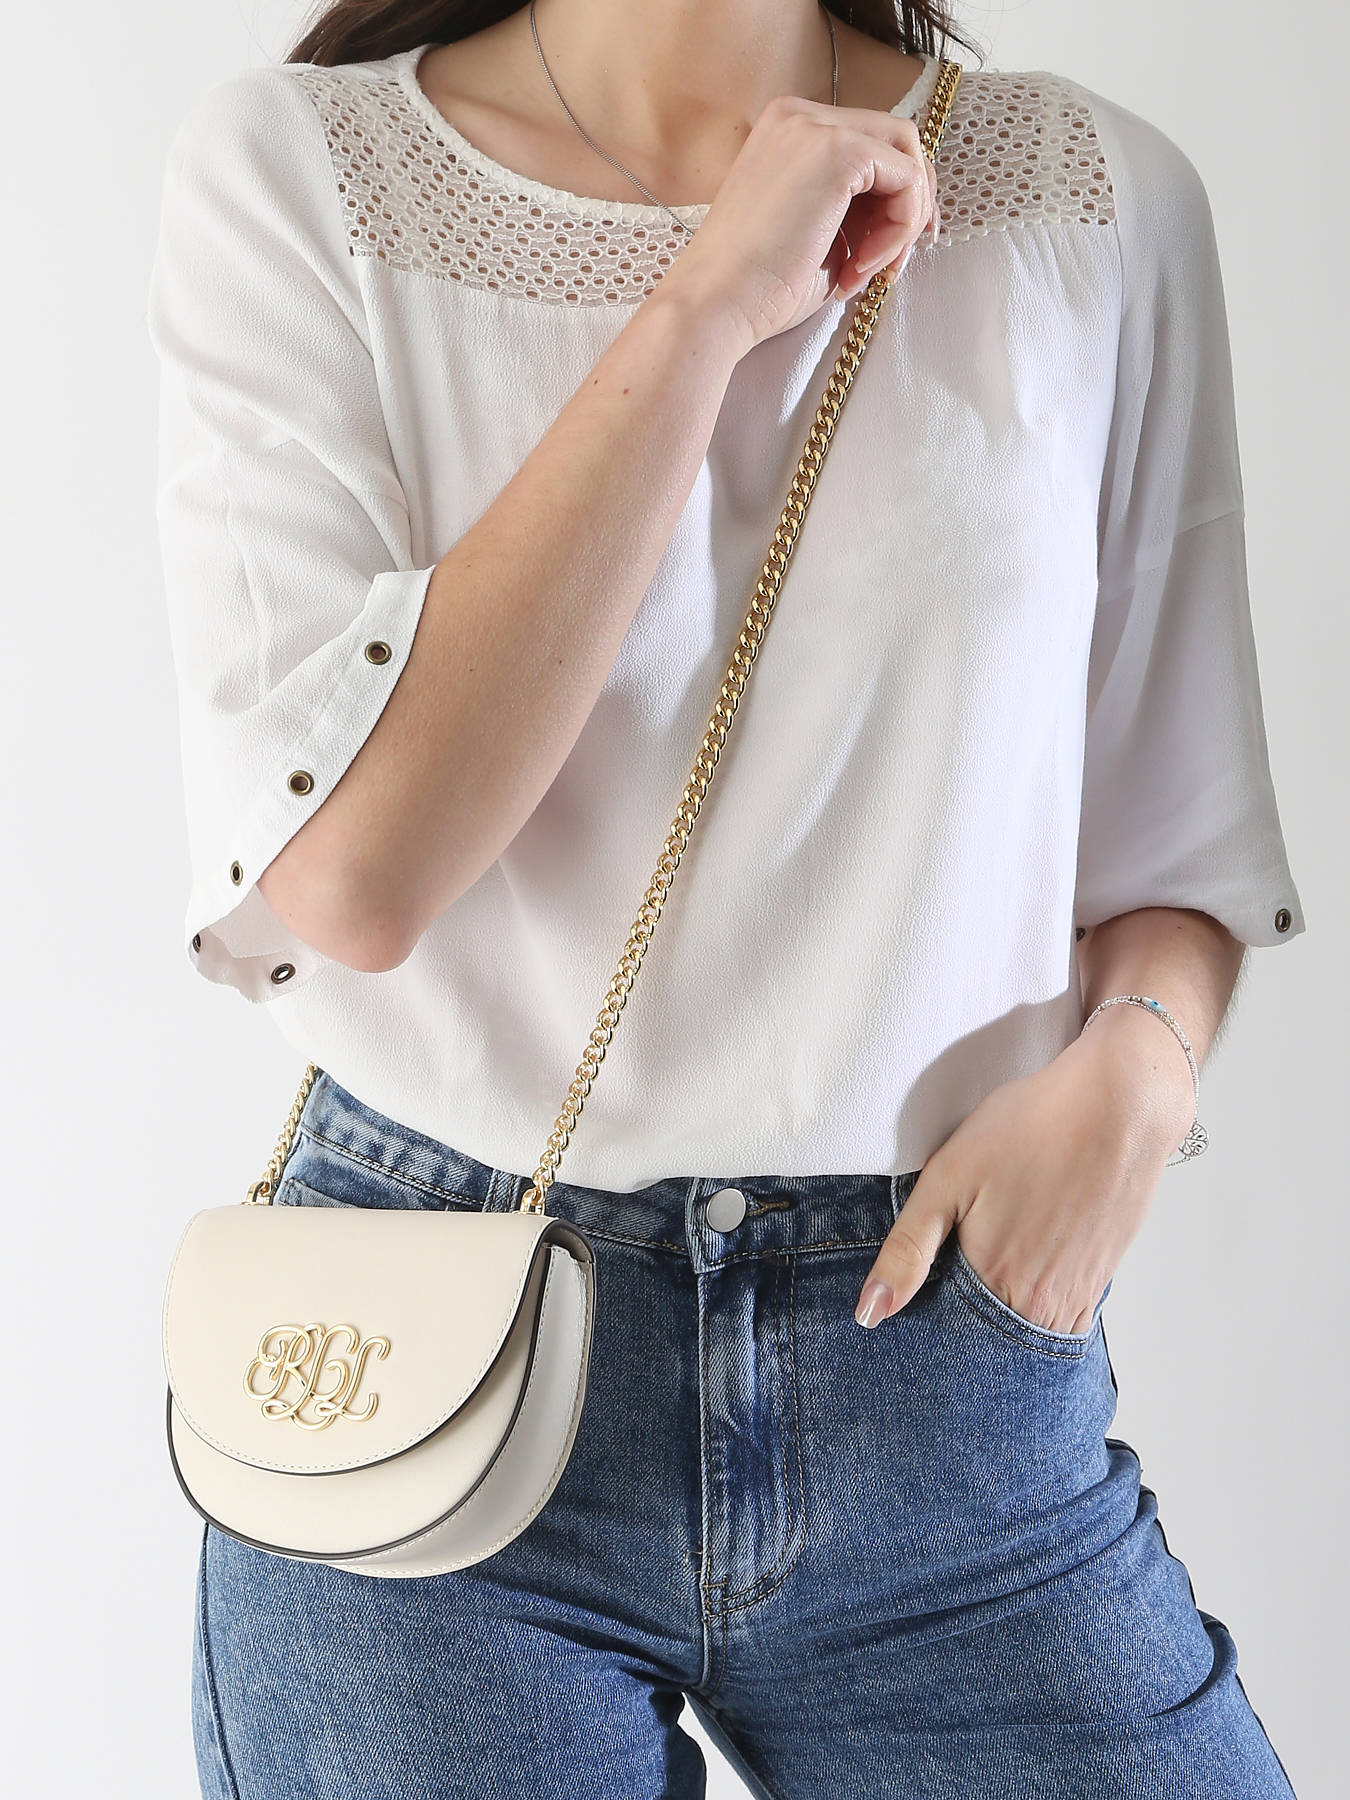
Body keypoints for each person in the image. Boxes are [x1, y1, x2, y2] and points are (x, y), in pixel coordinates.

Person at [146, 1, 1306, 1794]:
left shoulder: (1089, 196)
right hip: (434, 1381)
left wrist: (1137, 1080)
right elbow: (357, 876)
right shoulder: (306, 178)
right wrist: (705, 304)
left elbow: (1174, 829)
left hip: (939, 1361)